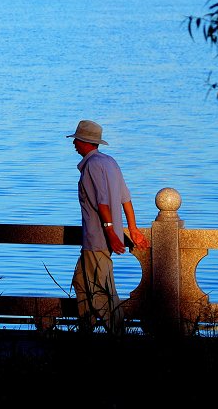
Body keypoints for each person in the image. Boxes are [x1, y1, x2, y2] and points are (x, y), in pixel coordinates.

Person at [67, 119, 149, 335]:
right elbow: (126, 199)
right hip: (99, 238)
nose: (74, 143)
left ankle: (118, 332)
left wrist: (111, 232)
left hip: (97, 238)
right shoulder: (110, 162)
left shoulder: (92, 166)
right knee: (81, 282)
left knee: (101, 290)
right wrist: (133, 229)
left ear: (85, 142)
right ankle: (86, 328)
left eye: (76, 140)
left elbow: (103, 202)